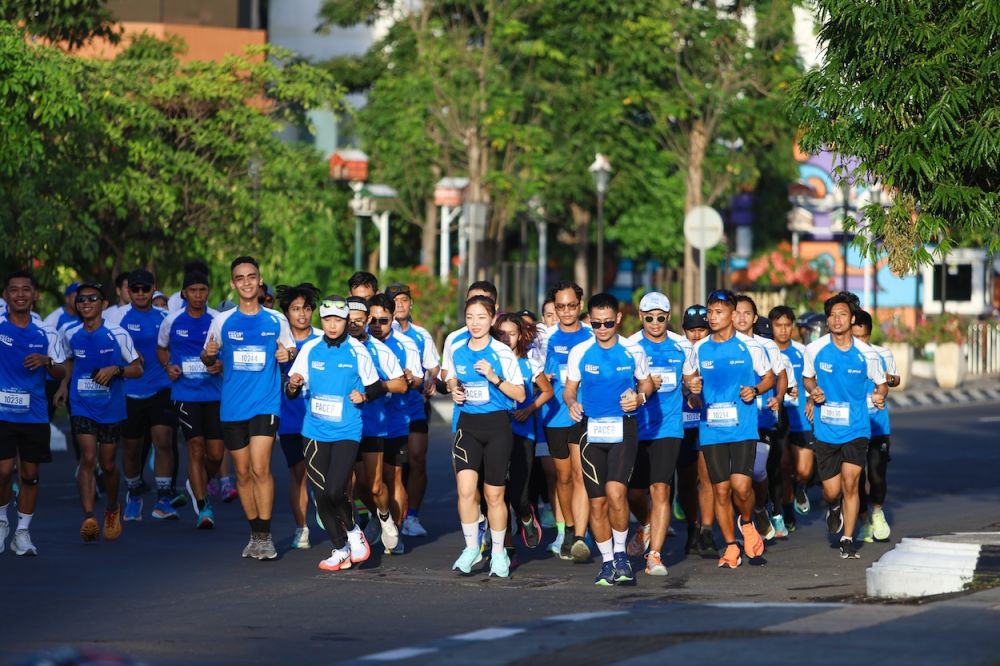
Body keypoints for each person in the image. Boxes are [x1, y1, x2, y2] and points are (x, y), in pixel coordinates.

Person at [201, 256, 294, 561]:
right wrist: (208, 355)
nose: (246, 282)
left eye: (251, 276)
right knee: (241, 474)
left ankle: (266, 537)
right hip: (232, 407)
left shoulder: (275, 319)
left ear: (259, 279)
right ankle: (254, 534)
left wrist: (286, 354)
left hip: (266, 403)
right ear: (233, 283)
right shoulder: (222, 321)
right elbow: (208, 358)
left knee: (260, 467)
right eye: (240, 278)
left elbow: (290, 350)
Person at [285, 296, 383, 571]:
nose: (331, 325)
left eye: (337, 320)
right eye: (327, 319)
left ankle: (354, 532)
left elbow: (377, 387)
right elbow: (291, 391)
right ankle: (340, 549)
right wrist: (293, 384)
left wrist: (363, 395)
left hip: (346, 430)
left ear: (346, 322)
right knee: (321, 496)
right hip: (314, 431)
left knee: (335, 489)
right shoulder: (311, 349)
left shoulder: (356, 350)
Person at [563, 293, 653, 585]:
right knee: (597, 502)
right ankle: (606, 562)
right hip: (591, 431)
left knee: (616, 494)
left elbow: (647, 382)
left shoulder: (632, 350)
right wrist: (572, 403)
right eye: (597, 324)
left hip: (623, 429)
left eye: (608, 323)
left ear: (619, 320)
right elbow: (569, 388)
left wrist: (639, 398)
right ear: (589, 320)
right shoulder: (580, 351)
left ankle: (621, 556)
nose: (602, 329)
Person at [688, 289, 774, 569]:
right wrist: (692, 391)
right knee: (721, 490)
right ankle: (730, 545)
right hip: (711, 428)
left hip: (743, 428)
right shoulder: (699, 348)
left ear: (732, 315)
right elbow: (689, 385)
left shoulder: (750, 347)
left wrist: (755, 389)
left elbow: (769, 377)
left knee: (741, 487)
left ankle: (747, 523)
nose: (712, 317)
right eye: (710, 312)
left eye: (718, 312)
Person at [802, 293, 888, 559]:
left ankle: (848, 538)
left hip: (857, 428)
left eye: (842, 314)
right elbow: (807, 379)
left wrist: (880, 395)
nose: (836, 319)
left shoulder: (867, 353)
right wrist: (814, 391)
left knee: (852, 482)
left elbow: (881, 383)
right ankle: (834, 507)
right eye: (832, 315)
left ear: (852, 318)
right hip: (826, 429)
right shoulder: (814, 349)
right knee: (832, 491)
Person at [444, 295, 525, 578]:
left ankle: (500, 552)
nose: (475, 323)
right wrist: (454, 388)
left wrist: (494, 378)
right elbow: (450, 377)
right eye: (469, 317)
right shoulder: (457, 349)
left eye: (481, 317)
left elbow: (521, 394)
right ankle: (471, 548)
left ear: (492, 320)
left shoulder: (501, 353)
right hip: (468, 426)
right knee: (466, 490)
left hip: (497, 427)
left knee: (493, 495)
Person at [55, 282, 143, 542]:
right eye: (81, 300)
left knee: (107, 464)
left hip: (111, 406)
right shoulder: (70, 332)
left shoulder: (118, 333)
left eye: (92, 299)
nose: (86, 303)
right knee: (88, 457)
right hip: (81, 403)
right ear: (76, 304)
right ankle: (89, 517)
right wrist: (63, 384)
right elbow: (69, 360)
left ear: (103, 304)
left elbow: (137, 368)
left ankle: (113, 508)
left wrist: (116, 370)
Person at [625, 292, 697, 576]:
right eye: (649, 317)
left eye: (661, 317)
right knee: (634, 493)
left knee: (661, 489)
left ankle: (654, 555)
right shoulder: (630, 346)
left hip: (669, 427)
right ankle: (645, 524)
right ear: (641, 317)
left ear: (669, 317)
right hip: (637, 428)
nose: (655, 323)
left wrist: (693, 387)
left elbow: (690, 378)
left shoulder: (682, 346)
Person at [0, 272, 67, 555]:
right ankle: (2, 522)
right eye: (14, 290)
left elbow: (62, 370)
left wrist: (46, 360)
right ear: (6, 296)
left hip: (34, 413)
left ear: (34, 295)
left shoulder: (46, 332)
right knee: (3, 472)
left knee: (30, 474)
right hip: (2, 412)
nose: (20, 294)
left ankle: (22, 532)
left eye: (25, 290)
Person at [110, 269, 177, 522]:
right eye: (135, 289)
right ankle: (135, 493)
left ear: (153, 289)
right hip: (129, 391)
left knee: (163, 439)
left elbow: (175, 346)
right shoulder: (118, 319)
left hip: (161, 388)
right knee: (131, 447)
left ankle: (163, 498)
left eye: (145, 289)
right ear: (128, 291)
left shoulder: (166, 317)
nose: (140, 293)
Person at [157, 271, 223, 529]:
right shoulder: (172, 320)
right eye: (192, 290)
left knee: (216, 455)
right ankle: (204, 506)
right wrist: (167, 366)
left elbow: (228, 350)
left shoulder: (218, 319)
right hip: (185, 394)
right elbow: (161, 348)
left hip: (215, 394)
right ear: (184, 293)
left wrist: (221, 364)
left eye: (202, 290)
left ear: (208, 292)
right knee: (195, 446)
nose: (197, 295)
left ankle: (196, 481)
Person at [346, 296, 408, 554]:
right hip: (343, 427)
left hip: (373, 425)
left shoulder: (381, 350)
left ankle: (384, 517)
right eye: (348, 319)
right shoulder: (331, 348)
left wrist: (373, 390)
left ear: (367, 320)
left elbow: (401, 384)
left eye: (359, 320)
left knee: (373, 485)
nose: (353, 324)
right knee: (349, 486)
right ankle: (350, 539)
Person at [542, 281, 594, 562]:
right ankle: (568, 527)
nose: (565, 312)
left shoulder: (591, 337)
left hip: (583, 414)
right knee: (562, 477)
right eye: (560, 306)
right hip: (554, 415)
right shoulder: (545, 339)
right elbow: (533, 375)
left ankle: (579, 537)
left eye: (571, 306)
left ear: (580, 305)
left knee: (579, 475)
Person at [365, 293, 421, 553]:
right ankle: (379, 514)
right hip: (367, 421)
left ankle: (395, 531)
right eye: (372, 320)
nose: (377, 325)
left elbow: (418, 380)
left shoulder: (406, 344)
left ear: (393, 318)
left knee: (393, 477)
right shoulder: (358, 343)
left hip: (397, 419)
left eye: (383, 320)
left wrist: (410, 377)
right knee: (364, 482)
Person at [386, 282, 442, 539]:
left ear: (410, 304)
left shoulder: (421, 335)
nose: (400, 304)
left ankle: (412, 517)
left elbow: (433, 367)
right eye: (394, 300)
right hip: (385, 409)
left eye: (404, 300)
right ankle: (387, 515)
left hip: (415, 406)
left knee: (417, 459)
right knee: (392, 467)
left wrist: (429, 380)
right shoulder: (377, 330)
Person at [495, 313, 553, 555]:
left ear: (520, 336)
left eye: (512, 333)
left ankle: (526, 516)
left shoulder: (529, 362)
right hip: (496, 433)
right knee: (497, 493)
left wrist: (529, 409)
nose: (507, 338)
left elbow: (547, 391)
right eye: (502, 333)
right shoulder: (490, 361)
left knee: (519, 493)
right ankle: (506, 549)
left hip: (523, 433)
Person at [732, 296, 788, 541]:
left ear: (755, 318)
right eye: (737, 313)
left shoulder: (767, 346)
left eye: (747, 313)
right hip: (730, 421)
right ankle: (740, 527)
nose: (741, 318)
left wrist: (779, 397)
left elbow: (780, 375)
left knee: (756, 471)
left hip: (761, 418)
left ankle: (759, 508)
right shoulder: (719, 345)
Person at [275, 283, 323, 548]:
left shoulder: (322, 340)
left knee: (322, 473)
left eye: (306, 308)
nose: (302, 314)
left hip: (320, 419)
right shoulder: (278, 341)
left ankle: (327, 506)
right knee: (299, 473)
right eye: (295, 309)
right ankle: (301, 528)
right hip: (290, 418)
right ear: (287, 313)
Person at [851, 309, 898, 543]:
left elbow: (895, 378)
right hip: (853, 427)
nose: (860, 342)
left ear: (869, 334)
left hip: (878, 426)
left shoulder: (882, 353)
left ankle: (877, 512)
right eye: (855, 336)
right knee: (856, 479)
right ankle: (863, 523)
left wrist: (888, 379)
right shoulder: (844, 355)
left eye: (864, 337)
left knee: (877, 476)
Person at [769, 305, 815, 530]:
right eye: (779, 325)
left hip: (800, 417)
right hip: (776, 417)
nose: (783, 330)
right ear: (771, 326)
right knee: (784, 465)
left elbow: (813, 380)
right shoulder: (765, 350)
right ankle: (787, 512)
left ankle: (800, 488)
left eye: (788, 325)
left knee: (804, 470)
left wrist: (811, 400)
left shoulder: (802, 351)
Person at [679, 305, 719, 558]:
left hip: (708, 421)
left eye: (701, 329)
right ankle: (692, 526)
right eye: (692, 330)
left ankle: (707, 530)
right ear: (684, 331)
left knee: (707, 478)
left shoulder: (714, 351)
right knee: (685, 480)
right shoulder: (677, 349)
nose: (696, 335)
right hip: (682, 423)